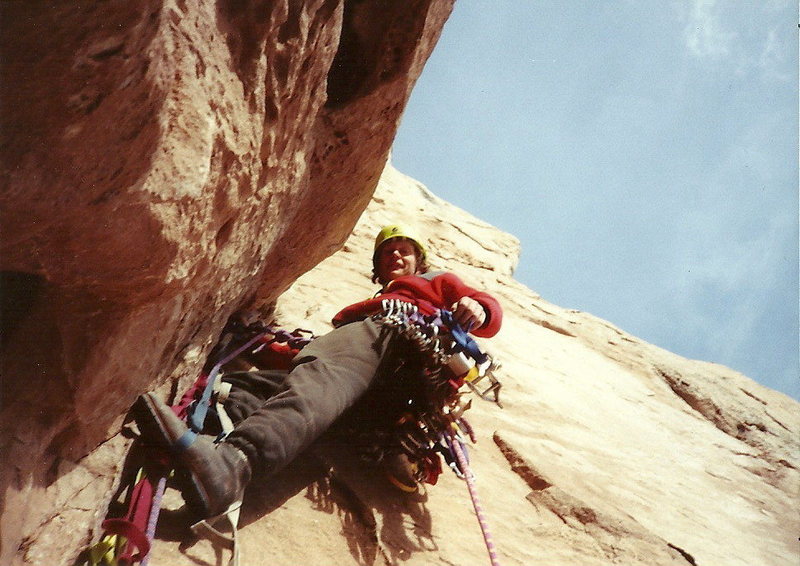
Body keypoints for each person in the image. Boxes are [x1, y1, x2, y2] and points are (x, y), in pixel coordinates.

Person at [133, 224, 503, 521]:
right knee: (256, 386)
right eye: (387, 251)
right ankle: (210, 448)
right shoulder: (367, 310)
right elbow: (313, 364)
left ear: (419, 260)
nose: (395, 254)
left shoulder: (431, 284)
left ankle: (233, 466)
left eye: (403, 249)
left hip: (394, 343)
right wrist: (261, 344)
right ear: (377, 267)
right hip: (376, 390)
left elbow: (485, 307)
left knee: (317, 380)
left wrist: (478, 309)